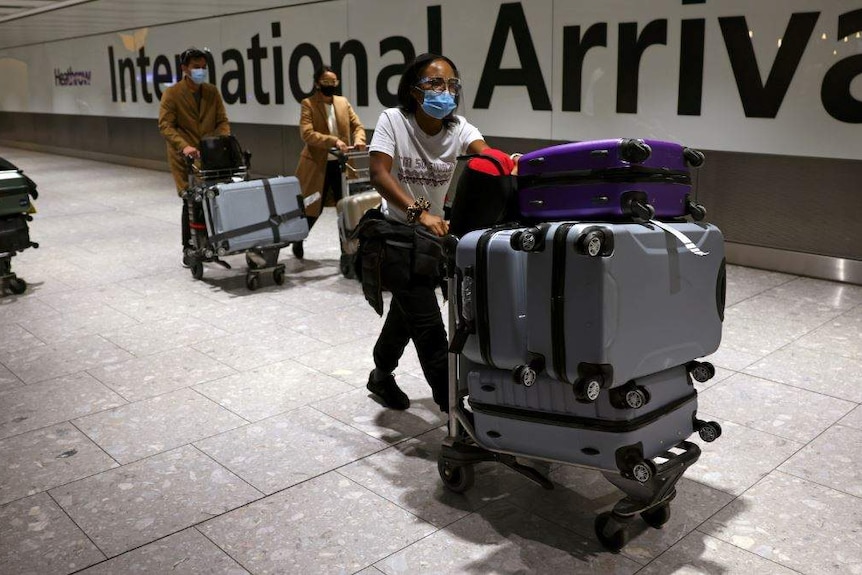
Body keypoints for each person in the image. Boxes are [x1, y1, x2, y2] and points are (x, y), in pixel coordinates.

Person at [366, 53, 489, 412]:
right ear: (414, 90)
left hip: (432, 241)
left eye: (451, 85)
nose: (445, 91)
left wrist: (502, 163)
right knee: (430, 327)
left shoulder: (460, 128)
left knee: (405, 316)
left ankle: (380, 374)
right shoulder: (393, 120)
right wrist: (419, 213)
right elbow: (379, 174)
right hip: (395, 236)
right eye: (435, 83)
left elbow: (486, 155)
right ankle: (454, 408)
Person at [157, 47, 230, 266]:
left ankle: (212, 242)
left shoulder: (212, 92)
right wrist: (184, 146)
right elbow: (165, 125)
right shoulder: (172, 93)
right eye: (196, 67)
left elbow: (222, 121)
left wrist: (218, 141)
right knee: (191, 201)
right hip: (185, 157)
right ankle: (189, 247)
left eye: (203, 68)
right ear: (184, 69)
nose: (200, 71)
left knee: (213, 198)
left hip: (210, 156)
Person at [294, 66, 366, 259]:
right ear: (317, 83)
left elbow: (357, 125)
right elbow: (307, 133)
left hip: (342, 165)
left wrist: (359, 139)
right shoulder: (308, 104)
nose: (330, 85)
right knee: (313, 209)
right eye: (326, 82)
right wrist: (333, 140)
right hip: (317, 165)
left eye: (333, 82)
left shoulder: (343, 102)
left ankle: (347, 251)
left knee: (346, 208)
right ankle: (298, 239)